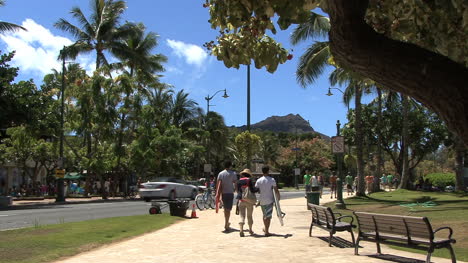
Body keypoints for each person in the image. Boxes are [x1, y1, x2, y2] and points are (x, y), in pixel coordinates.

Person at [255, 165, 279, 236]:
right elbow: (276, 189)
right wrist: (278, 197)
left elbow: (257, 189)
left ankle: (265, 228)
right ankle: (267, 231)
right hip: (269, 200)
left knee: (265, 215)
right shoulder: (272, 180)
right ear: (268, 171)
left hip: (262, 200)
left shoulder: (259, 180)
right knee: (268, 216)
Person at [216, 160, 237, 232]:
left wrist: (218, 194)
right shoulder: (233, 173)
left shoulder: (220, 174)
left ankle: (226, 222)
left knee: (226, 209)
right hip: (230, 193)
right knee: (228, 209)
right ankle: (226, 223)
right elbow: (235, 183)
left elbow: (218, 184)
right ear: (230, 166)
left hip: (223, 193)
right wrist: (237, 191)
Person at [236, 168, 258, 237]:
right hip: (249, 201)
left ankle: (241, 230)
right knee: (249, 216)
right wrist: (258, 188)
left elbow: (237, 191)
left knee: (242, 216)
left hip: (241, 200)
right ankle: (250, 230)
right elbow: (253, 190)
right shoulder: (249, 180)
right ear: (249, 174)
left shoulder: (238, 181)